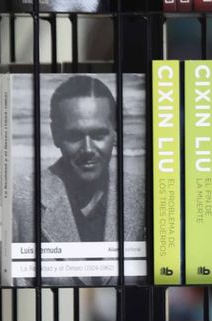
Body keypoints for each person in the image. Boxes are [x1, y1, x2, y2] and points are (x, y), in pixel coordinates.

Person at [13, 74, 145, 248]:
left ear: (116, 134)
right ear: (55, 135)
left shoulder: (144, 196)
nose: (88, 149)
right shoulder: (19, 201)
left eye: (98, 135)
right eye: (75, 136)